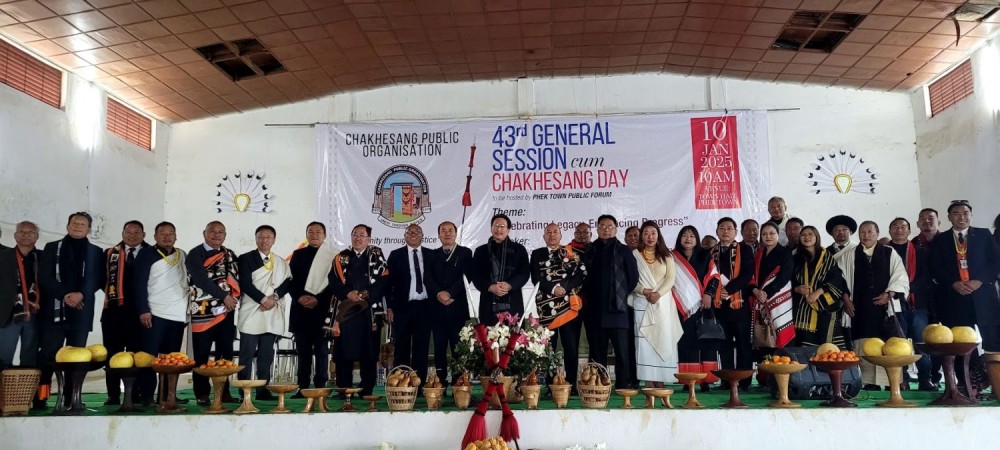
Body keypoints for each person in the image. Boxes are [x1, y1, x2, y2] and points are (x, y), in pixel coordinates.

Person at [929, 201, 1000, 395]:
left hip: (983, 296)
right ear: (950, 217)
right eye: (957, 213)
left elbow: (995, 262)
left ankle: (997, 383)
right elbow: (935, 267)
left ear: (971, 215)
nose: (962, 217)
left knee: (993, 341)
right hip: (955, 298)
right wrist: (952, 283)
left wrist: (980, 281)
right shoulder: (941, 239)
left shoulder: (984, 235)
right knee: (961, 343)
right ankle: (968, 385)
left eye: (965, 213)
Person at [36, 212, 105, 409]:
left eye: (83, 224)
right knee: (49, 354)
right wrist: (66, 295)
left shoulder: (96, 252)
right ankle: (41, 397)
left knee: (76, 358)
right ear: (67, 226)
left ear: (89, 229)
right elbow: (44, 277)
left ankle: (71, 398)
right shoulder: (51, 248)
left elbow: (97, 278)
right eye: (74, 223)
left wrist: (81, 294)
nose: (78, 226)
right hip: (55, 310)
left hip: (81, 311)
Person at [835, 220, 909, 388]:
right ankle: (867, 382)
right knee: (863, 344)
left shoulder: (889, 253)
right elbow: (840, 279)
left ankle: (891, 382)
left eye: (870, 232)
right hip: (859, 309)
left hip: (885, 309)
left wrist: (889, 294)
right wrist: (846, 299)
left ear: (877, 233)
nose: (866, 235)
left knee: (889, 344)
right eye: (863, 232)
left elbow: (900, 277)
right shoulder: (849, 255)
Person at [329, 224, 388, 396]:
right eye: (355, 234)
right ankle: (344, 389)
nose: (358, 238)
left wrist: (366, 295)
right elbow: (333, 281)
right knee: (343, 352)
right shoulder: (341, 258)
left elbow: (384, 280)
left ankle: (366, 389)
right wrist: (348, 293)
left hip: (369, 311)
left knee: (369, 352)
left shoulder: (376, 255)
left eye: (362, 235)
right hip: (346, 311)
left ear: (369, 239)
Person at [134, 221, 189, 406]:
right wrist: (143, 310)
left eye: (171, 233)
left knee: (171, 357)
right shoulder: (146, 254)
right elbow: (138, 283)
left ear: (176, 236)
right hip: (154, 312)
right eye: (163, 234)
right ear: (155, 236)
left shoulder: (181, 255)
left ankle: (168, 394)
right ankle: (147, 395)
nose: (167, 237)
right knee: (149, 357)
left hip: (177, 314)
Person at [186, 221, 240, 405]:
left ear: (225, 235)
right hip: (202, 312)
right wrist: (224, 296)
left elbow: (237, 279)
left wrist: (231, 298)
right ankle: (201, 393)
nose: (216, 235)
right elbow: (201, 280)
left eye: (220, 232)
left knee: (225, 353)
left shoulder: (230, 254)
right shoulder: (195, 254)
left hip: (226, 312)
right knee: (201, 354)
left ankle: (223, 391)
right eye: (212, 232)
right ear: (204, 233)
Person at [582, 214, 639, 389]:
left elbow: (633, 277)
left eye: (609, 227)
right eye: (602, 227)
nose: (606, 230)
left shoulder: (624, 250)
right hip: (595, 310)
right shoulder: (590, 249)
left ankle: (623, 384)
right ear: (597, 229)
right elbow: (583, 277)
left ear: (615, 229)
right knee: (597, 352)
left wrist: (620, 295)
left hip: (618, 310)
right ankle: (598, 384)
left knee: (622, 351)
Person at [236, 225, 291, 400]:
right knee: (246, 353)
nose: (264, 240)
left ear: (274, 240)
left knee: (266, 355)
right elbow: (245, 283)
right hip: (252, 310)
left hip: (271, 312)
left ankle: (263, 389)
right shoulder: (245, 259)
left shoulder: (281, 262)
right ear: (255, 238)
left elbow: (288, 282)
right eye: (260, 237)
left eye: (268, 237)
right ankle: (243, 388)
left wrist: (273, 298)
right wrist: (262, 300)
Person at [529, 223, 586, 386]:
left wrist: (564, 288)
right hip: (546, 308)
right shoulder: (537, 254)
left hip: (567, 306)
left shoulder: (569, 252)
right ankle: (549, 383)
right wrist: (554, 288)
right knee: (548, 348)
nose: (552, 235)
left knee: (570, 347)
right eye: (548, 232)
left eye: (555, 232)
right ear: (544, 236)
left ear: (561, 236)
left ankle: (572, 384)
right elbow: (535, 277)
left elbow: (581, 274)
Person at [101, 220, 150, 406]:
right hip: (113, 313)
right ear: (122, 233)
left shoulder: (151, 253)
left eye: (137, 232)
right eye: (128, 232)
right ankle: (113, 395)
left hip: (140, 313)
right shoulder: (109, 254)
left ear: (143, 235)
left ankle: (135, 393)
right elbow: (101, 279)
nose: (132, 236)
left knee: (137, 354)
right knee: (112, 355)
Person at [288, 222, 337, 393]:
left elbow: (334, 284)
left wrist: (318, 299)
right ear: (306, 234)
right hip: (301, 311)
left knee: (322, 351)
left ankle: (320, 387)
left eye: (318, 232)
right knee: (303, 352)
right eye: (311, 232)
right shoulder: (298, 254)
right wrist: (300, 297)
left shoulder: (332, 256)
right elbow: (290, 281)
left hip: (322, 311)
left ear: (324, 235)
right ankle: (302, 387)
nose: (314, 234)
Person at [887, 217, 936, 391]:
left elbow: (928, 277)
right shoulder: (884, 251)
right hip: (893, 304)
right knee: (897, 343)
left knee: (920, 342)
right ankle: (902, 379)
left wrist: (906, 289)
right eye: (895, 227)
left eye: (903, 227)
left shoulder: (920, 251)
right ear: (890, 231)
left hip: (917, 304)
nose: (899, 230)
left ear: (909, 231)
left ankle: (925, 378)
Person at [706, 217, 754, 390]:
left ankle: (744, 382)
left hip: (739, 305)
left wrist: (730, 289)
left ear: (735, 232)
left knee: (743, 345)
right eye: (722, 228)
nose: (725, 231)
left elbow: (748, 273)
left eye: (729, 228)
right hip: (719, 307)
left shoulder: (745, 249)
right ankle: (727, 381)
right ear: (717, 231)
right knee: (724, 345)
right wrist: (717, 291)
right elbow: (708, 276)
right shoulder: (712, 252)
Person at [629, 221, 678, 387]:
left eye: (653, 233)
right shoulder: (634, 255)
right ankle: (648, 379)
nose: (650, 237)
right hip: (642, 302)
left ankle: (661, 379)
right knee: (644, 342)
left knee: (662, 339)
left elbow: (670, 279)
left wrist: (658, 293)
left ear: (658, 236)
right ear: (642, 236)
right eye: (646, 233)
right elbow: (630, 280)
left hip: (662, 304)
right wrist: (643, 290)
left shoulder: (667, 256)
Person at [424, 221, 472, 387]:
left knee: (458, 349)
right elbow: (427, 278)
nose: (447, 233)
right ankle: (440, 384)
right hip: (436, 310)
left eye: (450, 230)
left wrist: (450, 293)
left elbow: (467, 276)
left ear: (456, 233)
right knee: (439, 349)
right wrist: (439, 293)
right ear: (438, 235)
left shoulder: (465, 253)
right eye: (443, 230)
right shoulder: (431, 254)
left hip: (456, 308)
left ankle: (459, 383)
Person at [672, 225, 720, 391]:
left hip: (702, 305)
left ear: (697, 239)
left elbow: (714, 277)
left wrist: (709, 294)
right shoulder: (673, 257)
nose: (688, 238)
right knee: (686, 343)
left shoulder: (704, 256)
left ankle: (706, 381)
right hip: (681, 308)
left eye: (692, 236)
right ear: (679, 238)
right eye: (684, 235)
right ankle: (688, 380)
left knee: (705, 342)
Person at [386, 224, 434, 381]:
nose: (413, 234)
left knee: (421, 347)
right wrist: (390, 307)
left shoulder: (431, 255)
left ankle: (418, 384)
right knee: (401, 348)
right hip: (402, 308)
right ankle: (400, 383)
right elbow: (388, 283)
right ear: (405, 236)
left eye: (417, 232)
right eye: (410, 232)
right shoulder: (395, 255)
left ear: (423, 236)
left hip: (425, 308)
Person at [792, 225, 849, 348]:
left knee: (826, 349)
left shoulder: (826, 256)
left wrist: (818, 292)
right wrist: (796, 289)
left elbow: (837, 279)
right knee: (804, 348)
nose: (807, 237)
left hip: (824, 307)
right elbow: (789, 280)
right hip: (802, 309)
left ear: (816, 237)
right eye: (803, 235)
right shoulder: (796, 258)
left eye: (810, 234)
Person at [471, 214, 530, 325]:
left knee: (514, 341)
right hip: (488, 305)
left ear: (508, 230)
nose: (499, 229)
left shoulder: (519, 250)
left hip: (513, 304)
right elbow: (475, 275)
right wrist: (490, 287)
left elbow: (524, 273)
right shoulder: (481, 251)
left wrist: (509, 285)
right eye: (496, 226)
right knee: (488, 340)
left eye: (502, 226)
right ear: (491, 228)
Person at [747, 222, 795, 349]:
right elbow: (751, 276)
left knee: (780, 330)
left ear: (778, 235)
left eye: (772, 233)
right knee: (764, 336)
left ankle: (782, 367)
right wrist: (755, 291)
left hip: (778, 297)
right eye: (764, 234)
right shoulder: (758, 254)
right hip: (759, 298)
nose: (768, 236)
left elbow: (784, 276)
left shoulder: (785, 252)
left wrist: (766, 292)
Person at [0, 222, 41, 370]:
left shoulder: (43, 258)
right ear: (15, 235)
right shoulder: (3, 257)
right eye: (21, 232)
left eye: (30, 232)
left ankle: (27, 392)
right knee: (3, 358)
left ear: (36, 236)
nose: (25, 235)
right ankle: (3, 392)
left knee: (30, 359)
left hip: (36, 314)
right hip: (9, 314)